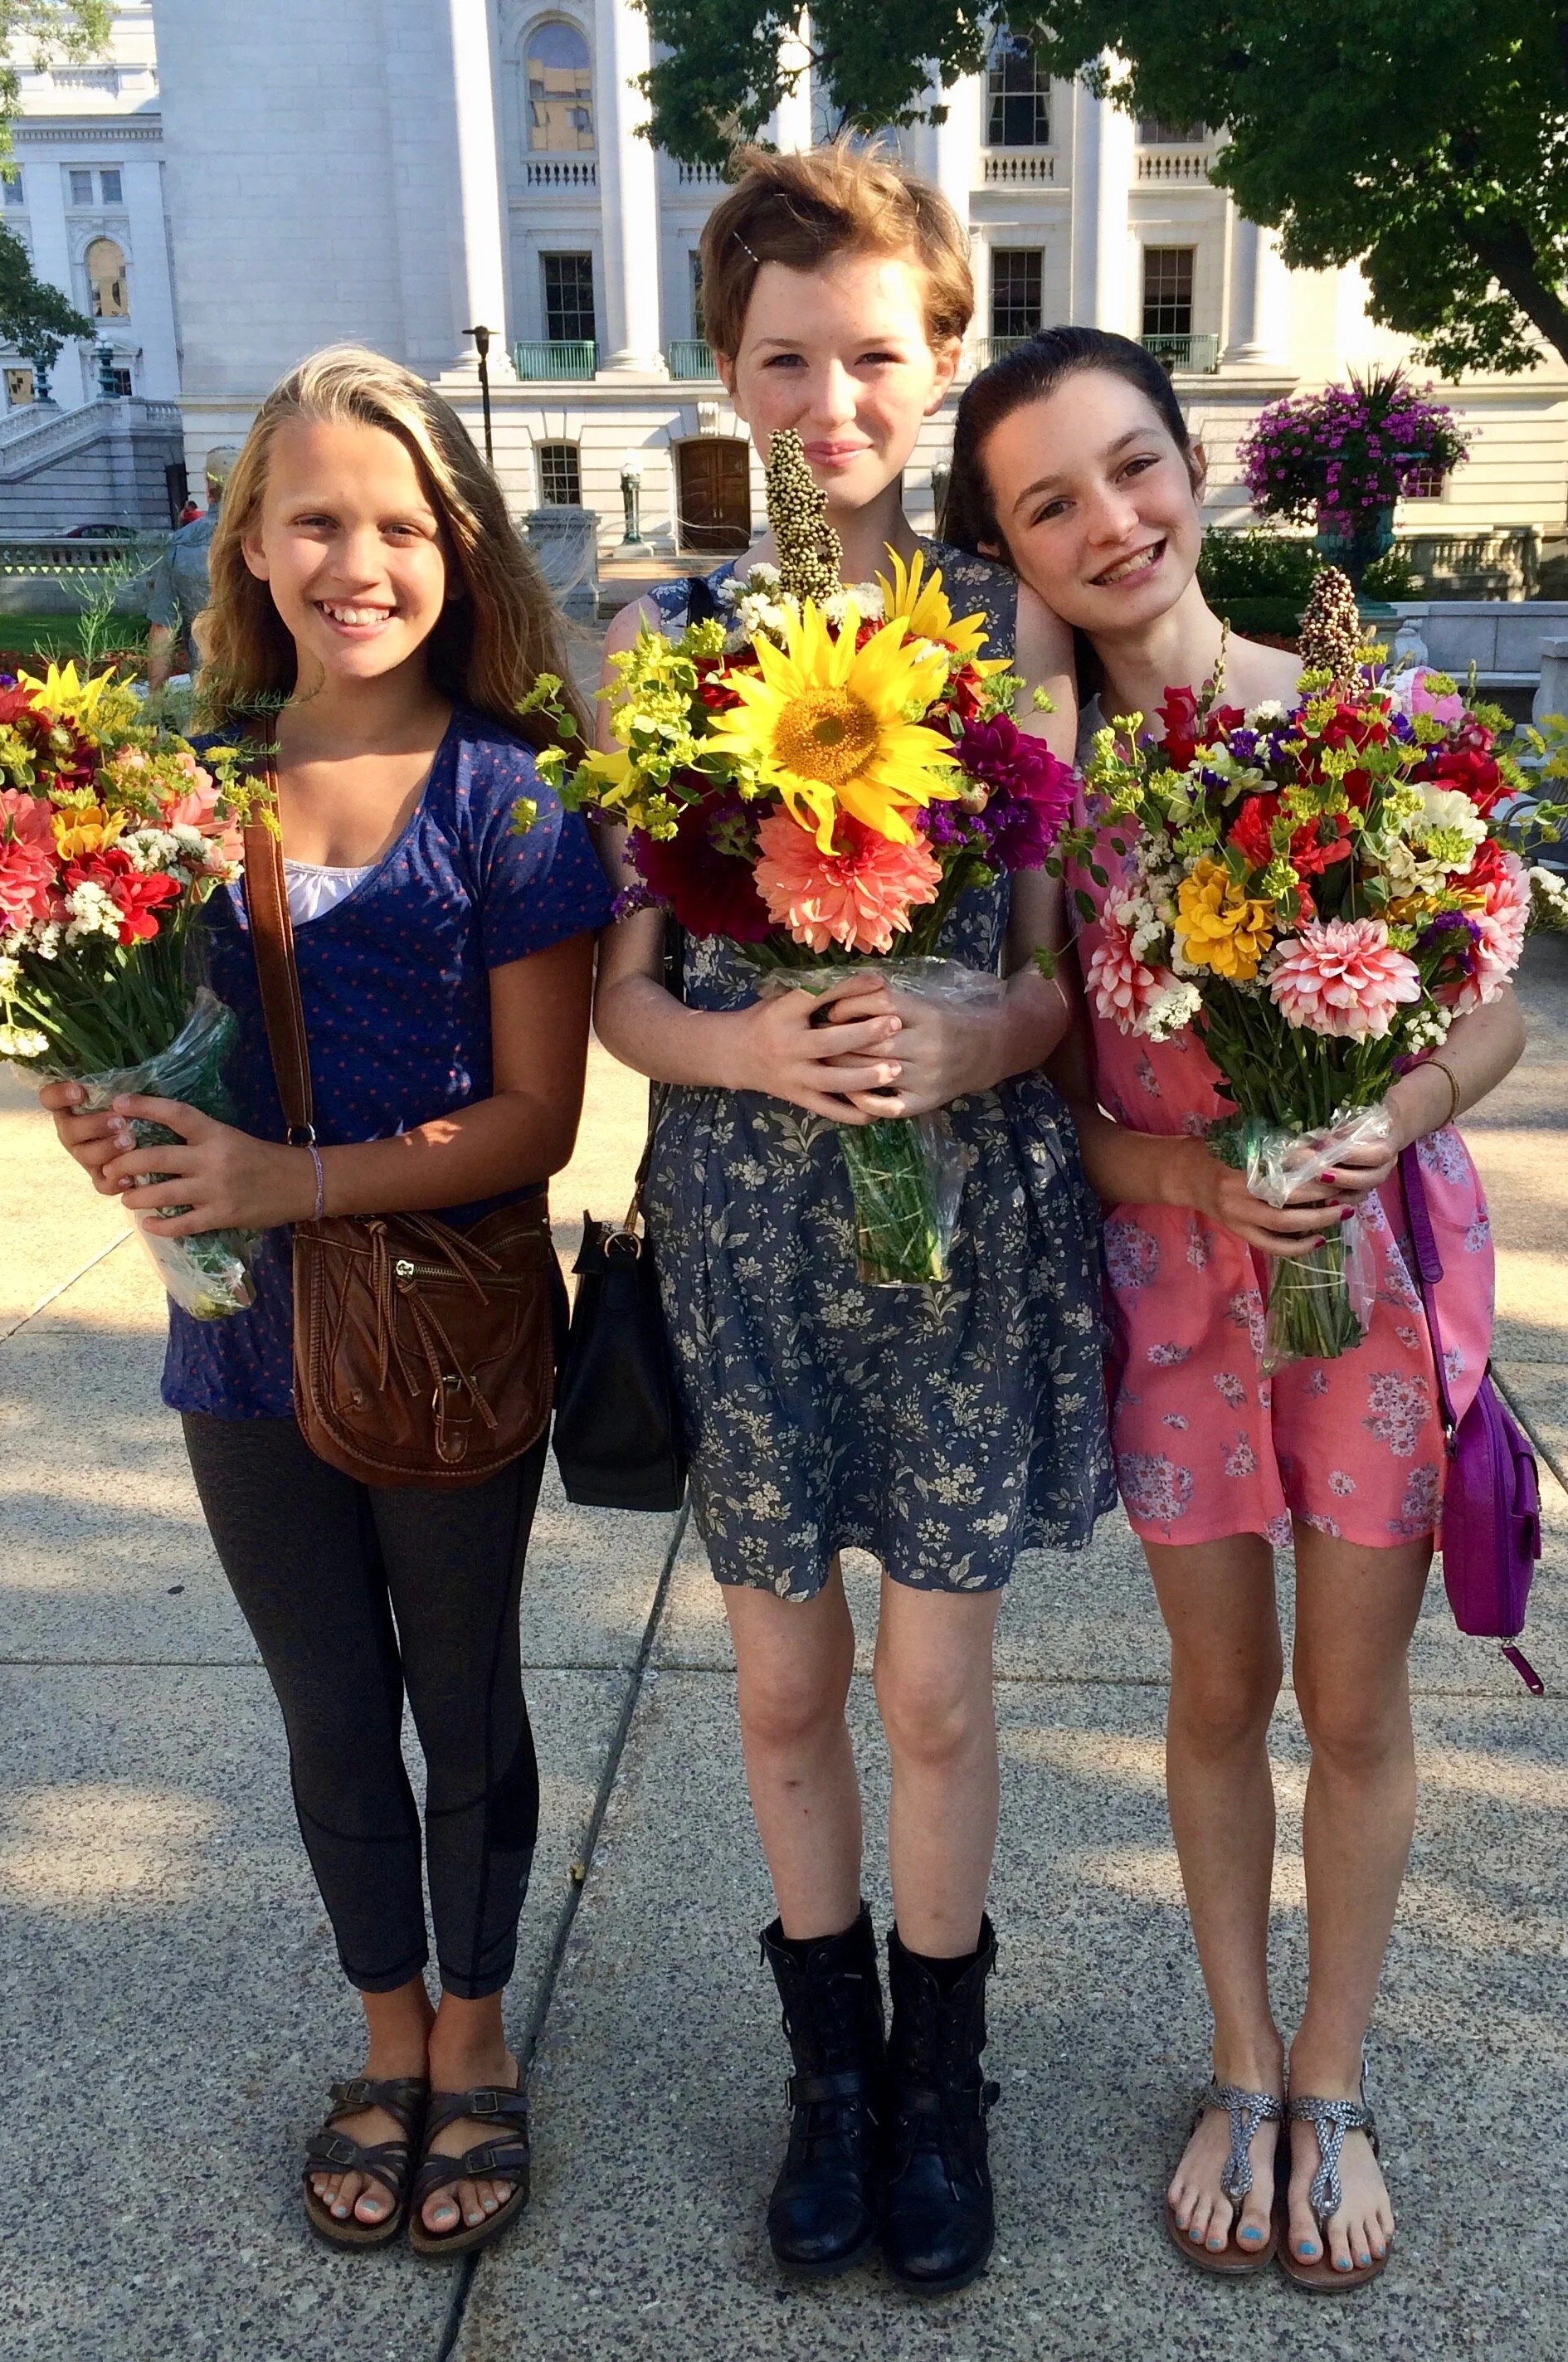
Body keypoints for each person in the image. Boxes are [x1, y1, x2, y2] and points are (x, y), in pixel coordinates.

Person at [947, 325, 1527, 2290]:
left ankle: (1334, 2079)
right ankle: (1237, 2060)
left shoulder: (1361, 716)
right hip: (1176, 1293)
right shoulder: (1054, 804)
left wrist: (1392, 1106)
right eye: (1048, 501)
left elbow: (1497, 1005)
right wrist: (1199, 1174)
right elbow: (1055, 1098)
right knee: (1214, 1694)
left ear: (1193, 465)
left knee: (1351, 1700)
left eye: (1131, 466)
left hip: (1367, 1285)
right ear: (1008, 548)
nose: (1109, 519)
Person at [594, 147, 1114, 2296]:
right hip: (737, 1234)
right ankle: (823, 2078)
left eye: (871, 353)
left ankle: (936, 2076)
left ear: (940, 362)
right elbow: (626, 993)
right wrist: (753, 1050)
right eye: (782, 355)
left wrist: (967, 1047)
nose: (830, 397)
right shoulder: (670, 639)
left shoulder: (1012, 635)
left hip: (956, 1235)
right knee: (784, 1689)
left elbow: (1055, 976)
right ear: (724, 373)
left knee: (928, 1697)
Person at [41, 347, 611, 2259]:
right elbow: (133, 1045)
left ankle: (478, 2033)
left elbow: (537, 1113)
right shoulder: (181, 791)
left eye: (397, 520)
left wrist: (300, 1180)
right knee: (325, 1707)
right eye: (317, 518)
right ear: (253, 543)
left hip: (449, 1329)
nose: (357, 556)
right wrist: (101, 1107)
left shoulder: (510, 805)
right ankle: (382, 2028)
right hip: (237, 1344)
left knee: (463, 1694)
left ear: (457, 543)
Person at [146, 446, 236, 686]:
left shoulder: (181, 544)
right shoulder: (274, 538)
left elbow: (162, 630)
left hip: (207, 691)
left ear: (208, 489)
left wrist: (155, 701)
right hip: (277, 698)